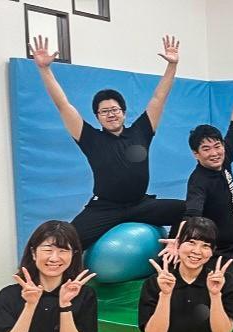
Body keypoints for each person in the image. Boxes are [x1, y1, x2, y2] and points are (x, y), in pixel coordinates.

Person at [29, 34, 185, 249]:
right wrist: (44, 69)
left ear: (123, 112)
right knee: (67, 243)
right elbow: (63, 105)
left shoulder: (141, 130)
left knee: (189, 211)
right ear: (97, 117)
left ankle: (173, 253)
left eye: (114, 109)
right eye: (104, 111)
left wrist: (172, 65)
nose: (111, 114)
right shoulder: (90, 138)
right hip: (105, 208)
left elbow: (159, 98)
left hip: (141, 204)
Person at [168, 66, 233, 290]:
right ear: (196, 154)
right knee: (231, 290)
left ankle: (231, 270)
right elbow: (192, 213)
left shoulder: (224, 159)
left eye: (217, 146)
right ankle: (210, 272)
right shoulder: (198, 181)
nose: (214, 152)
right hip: (214, 250)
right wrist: (179, 240)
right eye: (206, 149)